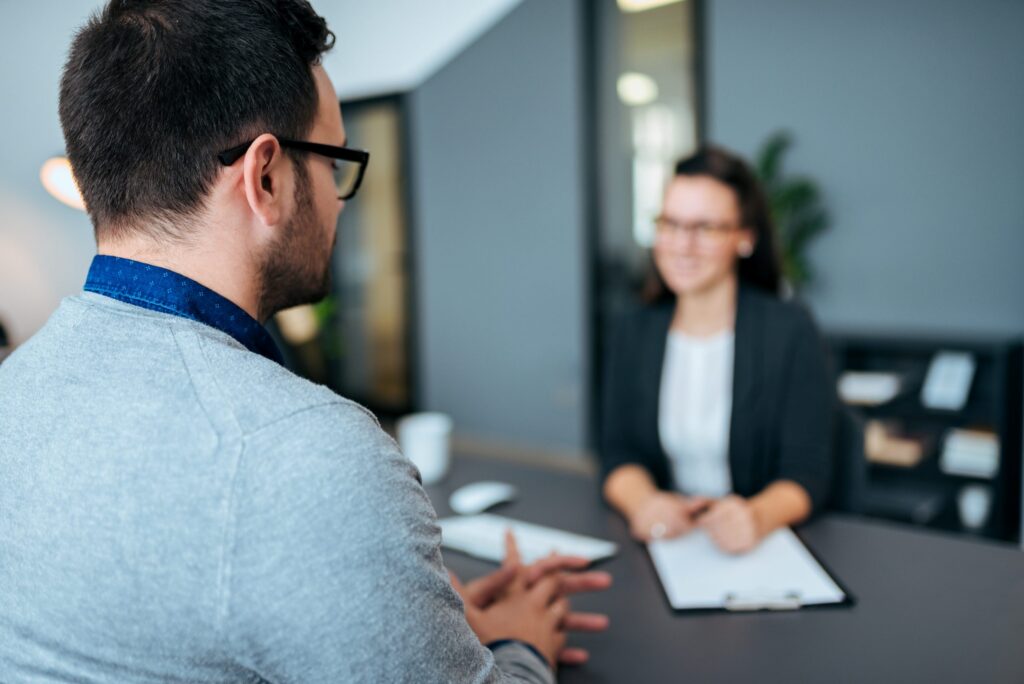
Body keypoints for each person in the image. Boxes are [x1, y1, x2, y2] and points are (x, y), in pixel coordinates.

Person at [0, 2, 608, 682]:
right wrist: (521, 645)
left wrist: (420, 619)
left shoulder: (13, 392)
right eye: (334, 162)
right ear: (266, 178)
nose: (341, 199)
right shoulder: (308, 454)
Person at [599, 145, 834, 554]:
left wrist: (757, 516)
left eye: (705, 228)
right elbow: (617, 452)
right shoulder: (633, 330)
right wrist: (643, 502)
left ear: (744, 237)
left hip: (760, 549)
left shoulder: (789, 330)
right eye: (669, 223)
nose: (681, 245)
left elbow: (807, 472)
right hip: (667, 546)